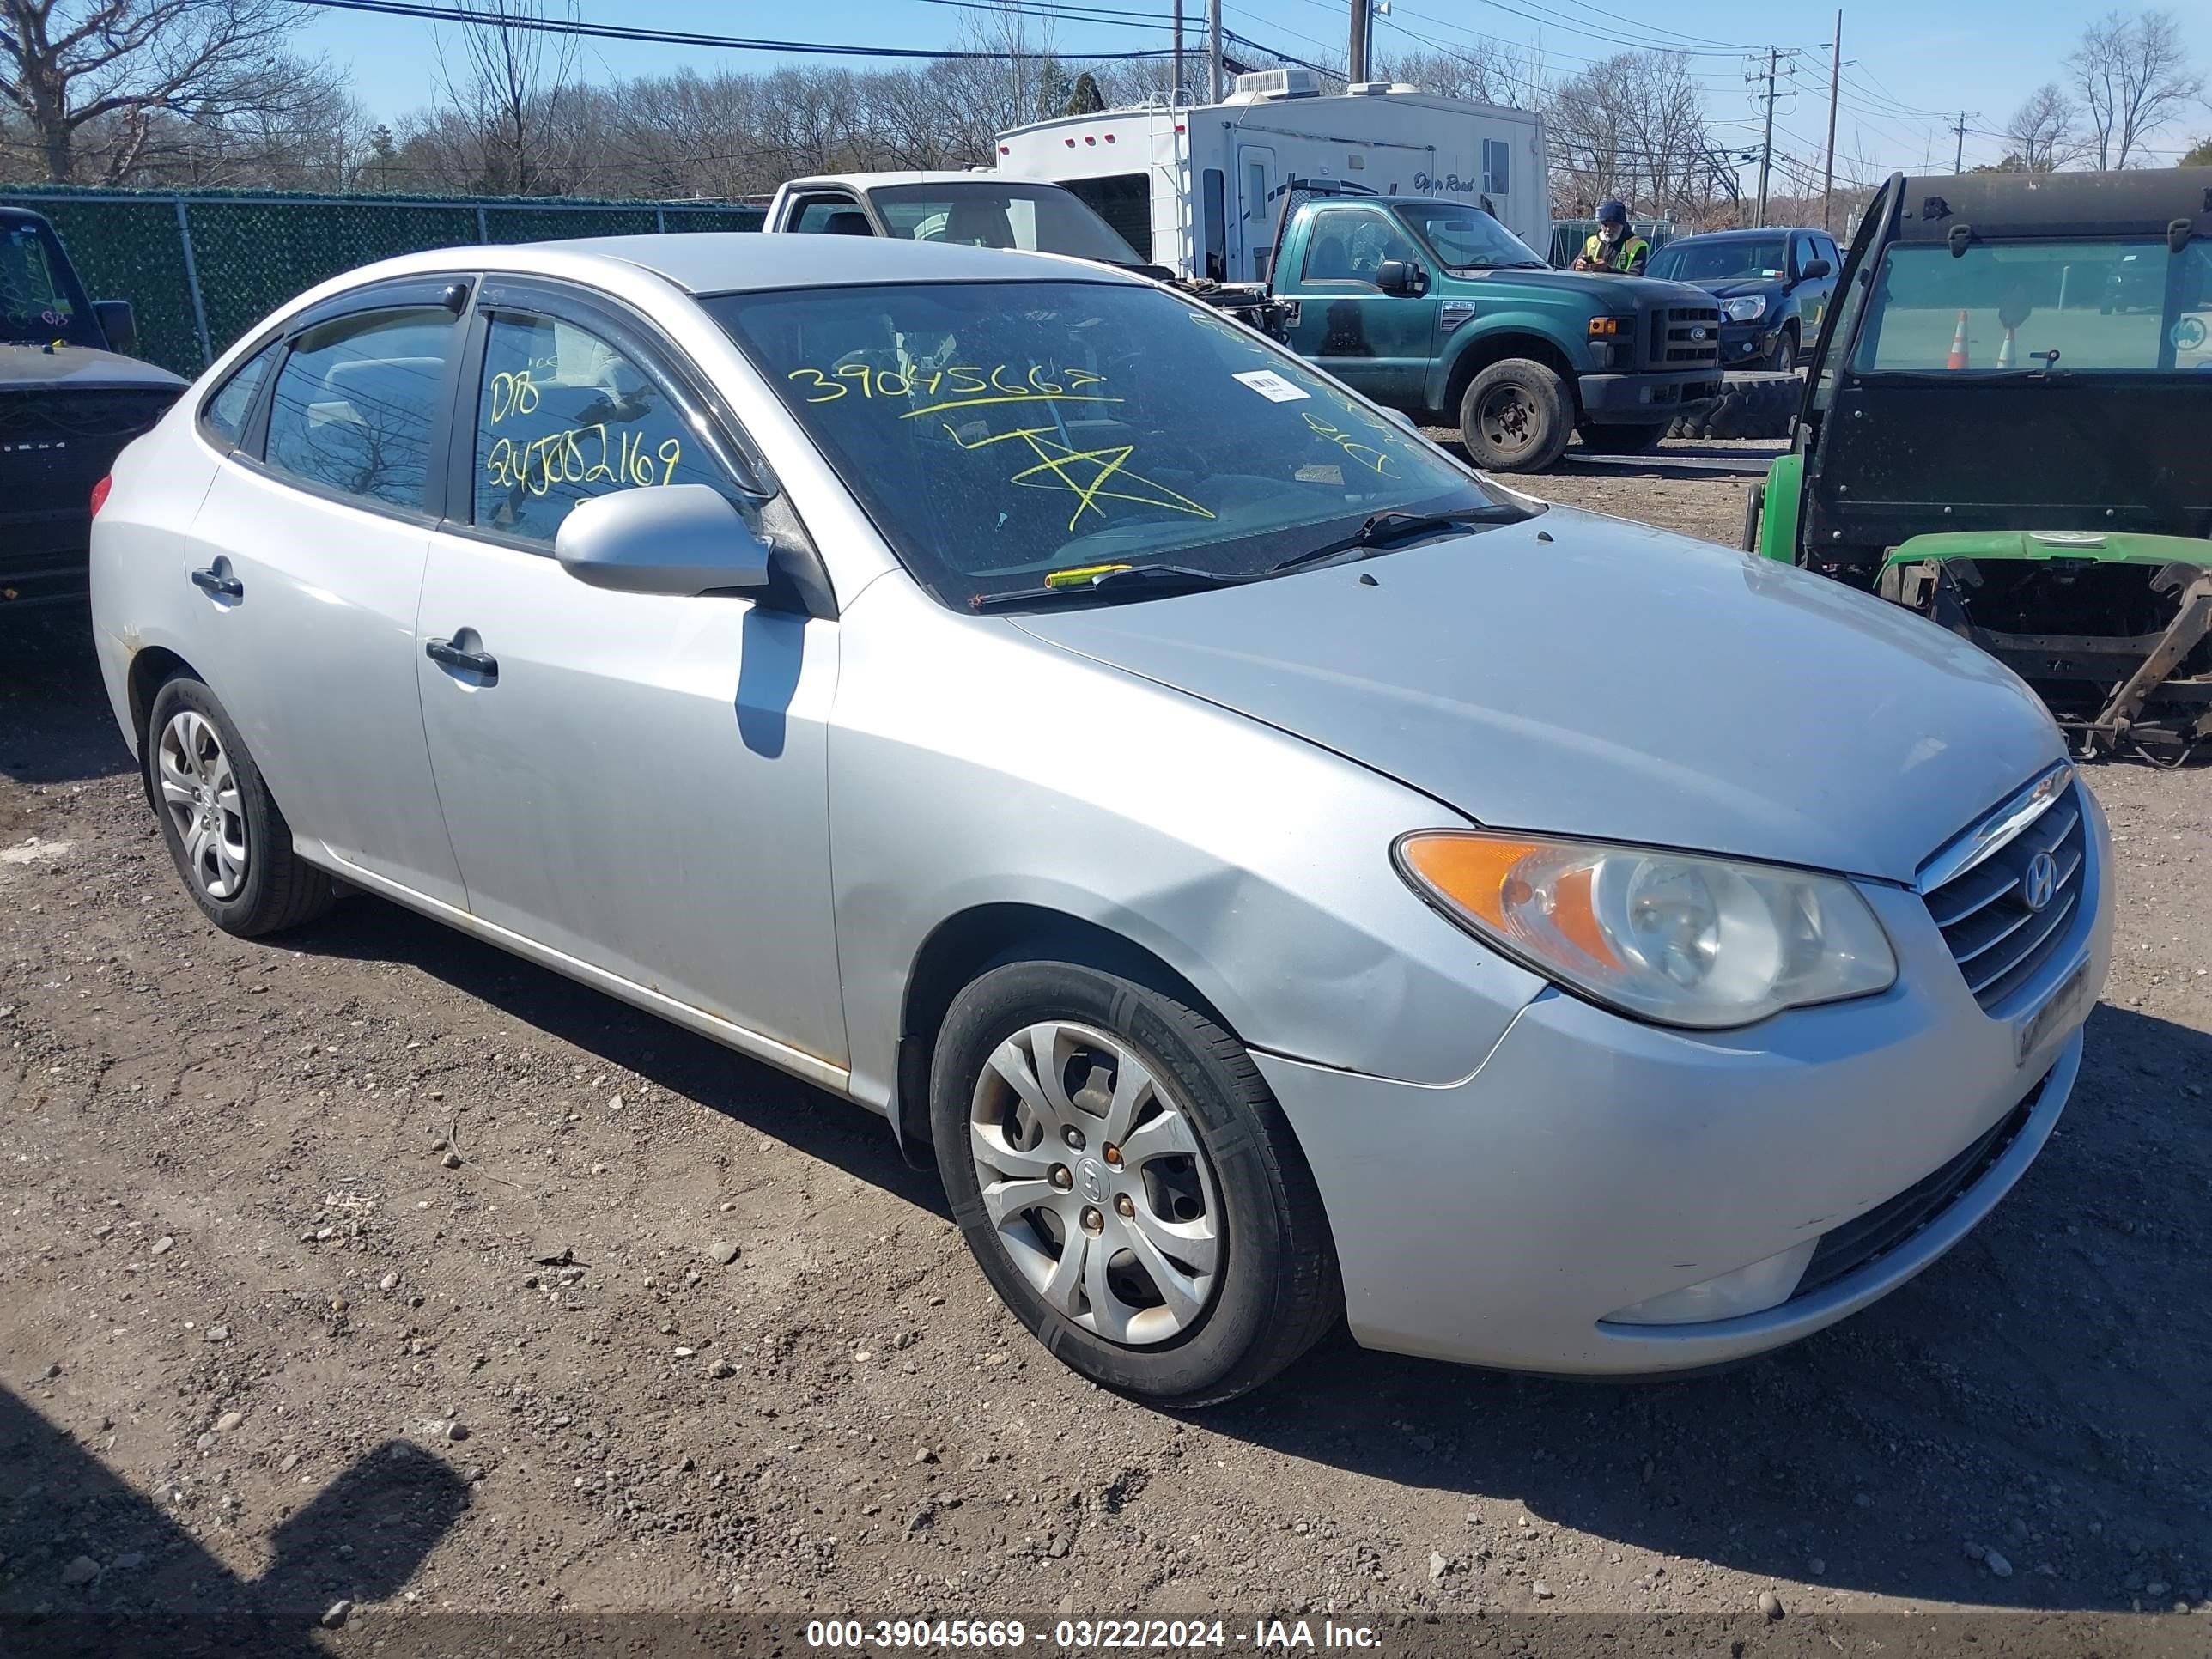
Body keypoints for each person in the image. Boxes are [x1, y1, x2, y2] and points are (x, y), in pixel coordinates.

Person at [1573, 201, 1650, 276]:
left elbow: (1636, 279)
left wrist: (1607, 271)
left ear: (1623, 225)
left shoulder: (1636, 245)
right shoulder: (1592, 242)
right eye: (1605, 225)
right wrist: (1577, 267)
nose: (1609, 230)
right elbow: (1570, 270)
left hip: (1619, 288)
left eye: (1613, 225)